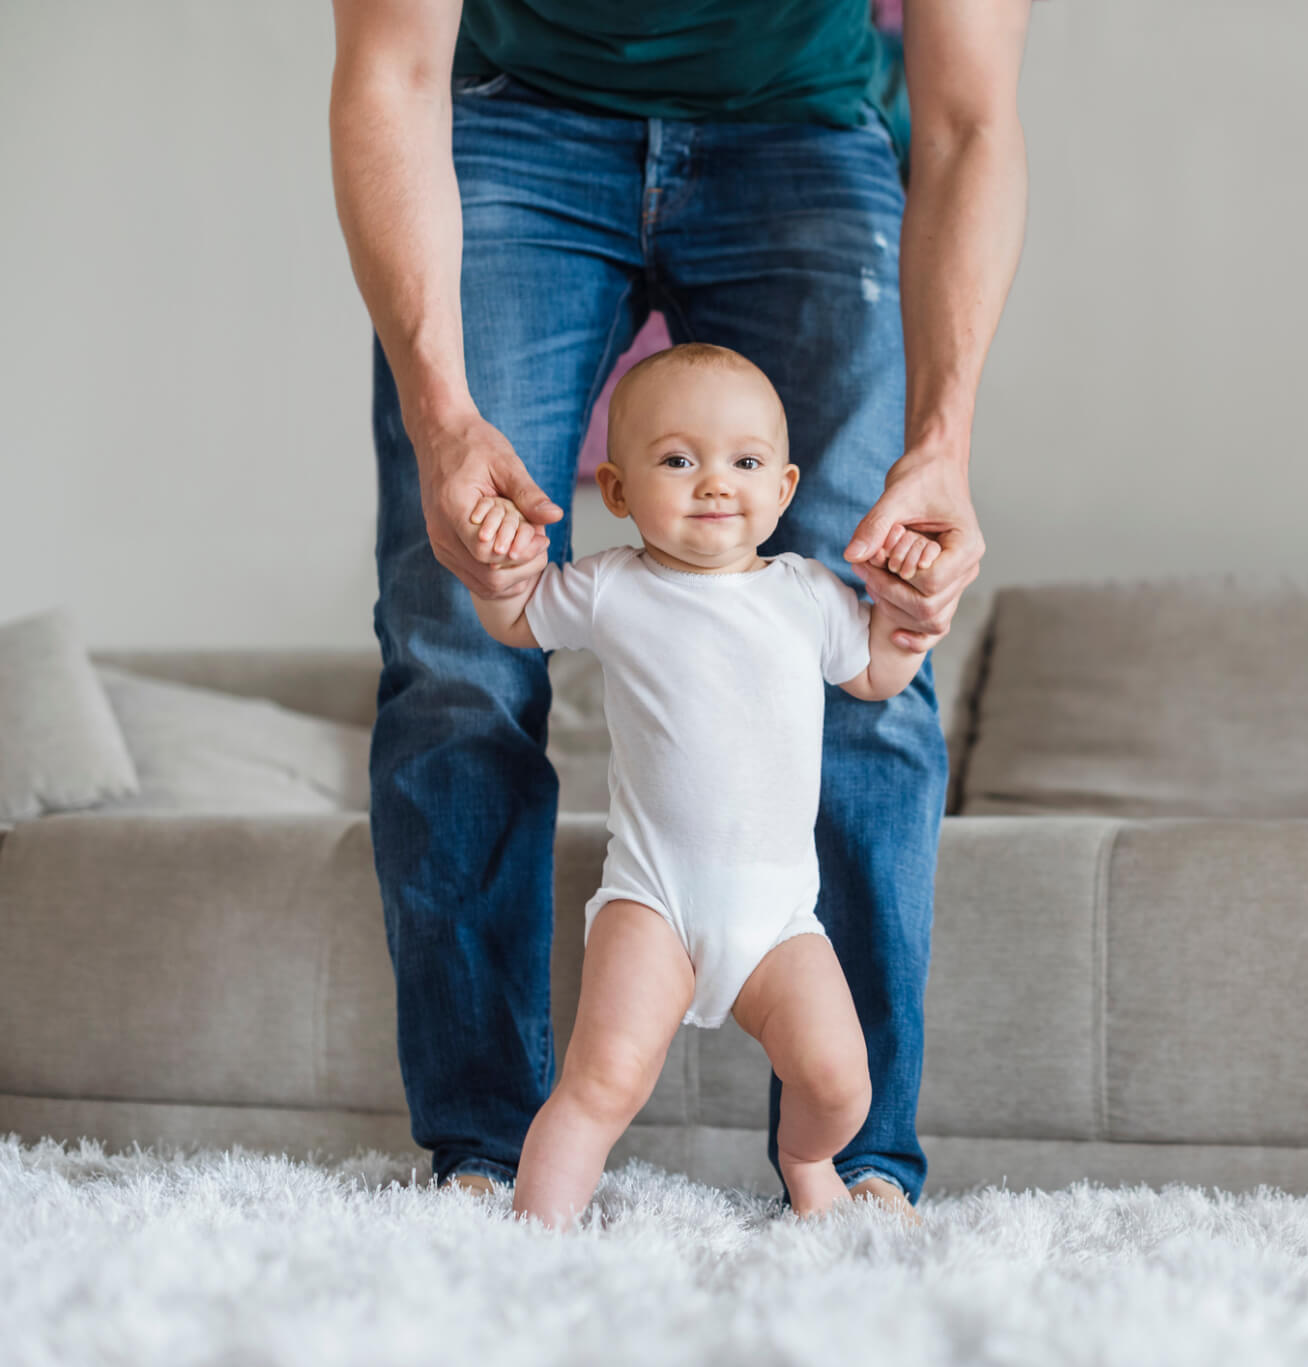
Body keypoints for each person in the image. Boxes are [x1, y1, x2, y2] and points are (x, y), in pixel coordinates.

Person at [326, 0, 1029, 1223]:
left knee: (879, 621)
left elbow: (969, 122)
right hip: (513, 124)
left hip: (807, 132)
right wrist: (444, 417)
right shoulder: (600, 585)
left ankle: (859, 1171)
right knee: (453, 653)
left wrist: (943, 442)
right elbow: (390, 71)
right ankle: (486, 1165)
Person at [466, 343, 936, 1229]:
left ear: (786, 488)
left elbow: (874, 672)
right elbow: (517, 618)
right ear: (616, 492)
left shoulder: (807, 593)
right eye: (679, 460)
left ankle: (806, 1159)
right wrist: (499, 562)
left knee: (840, 1081)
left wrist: (909, 622)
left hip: (778, 920)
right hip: (655, 904)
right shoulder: (612, 586)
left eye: (745, 462)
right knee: (601, 1081)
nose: (715, 482)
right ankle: (532, 1240)